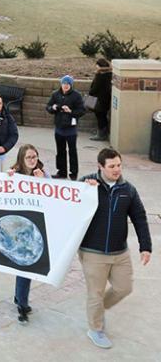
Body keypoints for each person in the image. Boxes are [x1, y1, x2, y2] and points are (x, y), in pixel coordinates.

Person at [79, 148, 151, 349]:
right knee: (96, 293)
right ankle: (95, 329)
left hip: (120, 252)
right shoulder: (86, 184)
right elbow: (69, 205)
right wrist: (84, 190)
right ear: (100, 167)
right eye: (112, 166)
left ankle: (97, 311)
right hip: (92, 251)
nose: (117, 169)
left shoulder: (128, 189)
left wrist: (145, 246)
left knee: (124, 288)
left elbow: (139, 217)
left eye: (119, 165)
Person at [8, 145, 51, 323]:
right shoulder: (14, 174)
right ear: (21, 159)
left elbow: (55, 195)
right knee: (25, 264)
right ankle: (22, 305)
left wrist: (44, 181)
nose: (32, 160)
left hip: (36, 226)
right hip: (19, 227)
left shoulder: (43, 173)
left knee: (27, 265)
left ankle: (19, 297)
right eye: (29, 158)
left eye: (34, 157)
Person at [46, 75, 86, 180]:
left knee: (72, 151)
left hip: (70, 129)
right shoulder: (55, 94)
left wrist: (71, 111)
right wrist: (53, 108)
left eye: (68, 84)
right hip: (59, 128)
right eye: (64, 83)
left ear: (71, 85)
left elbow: (82, 110)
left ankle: (73, 173)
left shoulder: (76, 95)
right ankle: (61, 171)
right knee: (60, 151)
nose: (66, 86)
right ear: (61, 84)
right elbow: (48, 107)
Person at [88, 58, 113, 141]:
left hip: (98, 100)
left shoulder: (100, 76)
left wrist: (91, 91)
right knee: (103, 117)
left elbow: (94, 89)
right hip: (106, 100)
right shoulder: (110, 75)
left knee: (100, 117)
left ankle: (101, 135)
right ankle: (103, 133)